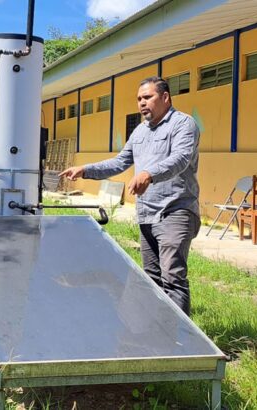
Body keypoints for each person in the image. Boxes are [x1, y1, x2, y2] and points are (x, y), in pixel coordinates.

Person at [60, 76, 200, 315]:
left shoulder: (183, 124)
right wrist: (86, 169)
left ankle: (181, 343)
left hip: (175, 210)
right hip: (147, 212)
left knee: (172, 276)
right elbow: (120, 162)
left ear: (165, 97)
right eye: (138, 99)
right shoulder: (140, 131)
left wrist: (149, 173)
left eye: (148, 97)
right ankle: (154, 335)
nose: (142, 103)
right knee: (152, 278)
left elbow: (181, 158)